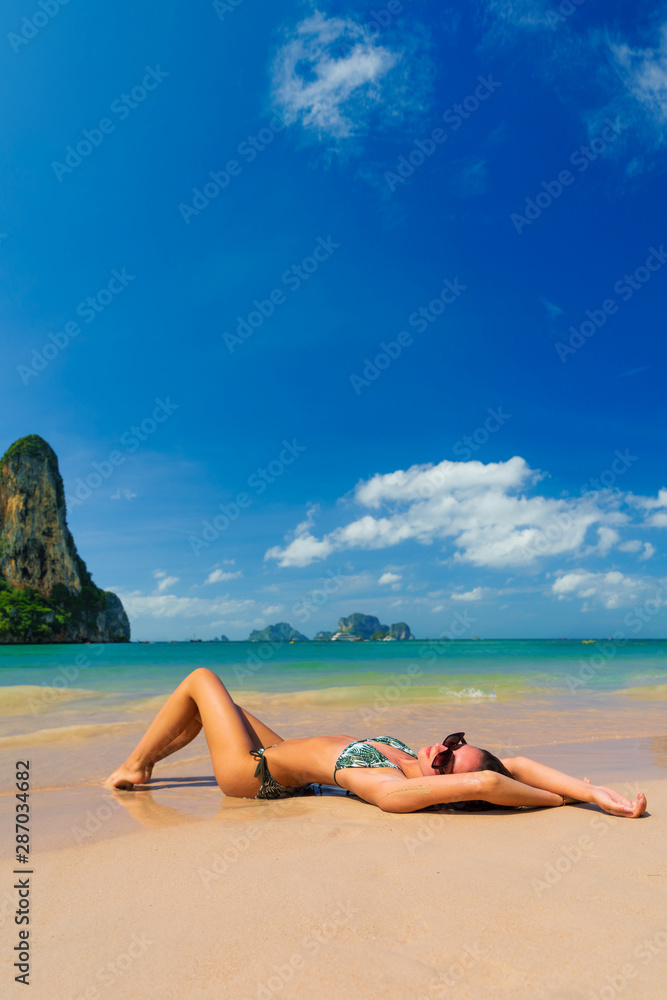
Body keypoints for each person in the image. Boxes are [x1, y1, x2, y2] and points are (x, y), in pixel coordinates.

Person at [106, 668, 647, 817]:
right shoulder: (413, 759)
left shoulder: (387, 784)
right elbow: (518, 763)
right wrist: (591, 793)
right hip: (284, 757)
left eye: (448, 760)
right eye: (454, 740)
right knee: (231, 709)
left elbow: (489, 779)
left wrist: (554, 802)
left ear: (450, 787)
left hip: (255, 776)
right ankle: (150, 762)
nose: (442, 747)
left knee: (202, 680)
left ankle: (132, 766)